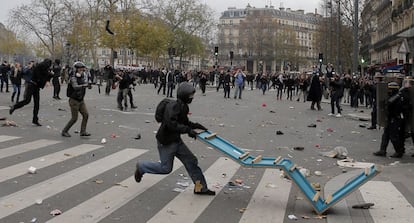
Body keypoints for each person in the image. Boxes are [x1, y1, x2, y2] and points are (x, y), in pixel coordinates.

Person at [134, 82, 215, 195]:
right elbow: (172, 124)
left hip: (176, 141)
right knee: (165, 168)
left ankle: (200, 187)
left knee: (191, 161)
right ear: (184, 95)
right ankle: (142, 166)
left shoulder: (183, 107)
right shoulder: (173, 107)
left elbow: (184, 123)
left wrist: (196, 126)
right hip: (166, 142)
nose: (192, 98)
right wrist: (188, 130)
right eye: (190, 96)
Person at [10, 59, 53, 126]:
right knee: (27, 100)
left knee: (37, 104)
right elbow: (41, 77)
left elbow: (46, 75)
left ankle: (35, 120)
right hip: (32, 85)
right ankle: (14, 107)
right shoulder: (39, 68)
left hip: (36, 87)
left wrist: (49, 76)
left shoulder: (44, 68)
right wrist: (48, 77)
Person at [373, 82, 405, 158]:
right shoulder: (394, 96)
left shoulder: (397, 97)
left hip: (394, 118)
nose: (388, 91)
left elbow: (391, 105)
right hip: (390, 117)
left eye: (390, 89)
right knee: (385, 135)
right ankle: (382, 150)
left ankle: (399, 151)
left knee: (393, 136)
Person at [61, 61, 92, 137]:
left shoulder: (82, 77)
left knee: (86, 115)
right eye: (80, 69)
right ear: (76, 69)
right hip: (74, 100)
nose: (82, 70)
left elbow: (85, 84)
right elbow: (75, 87)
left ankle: (83, 131)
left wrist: (89, 85)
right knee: (74, 118)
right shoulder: (73, 78)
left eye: (82, 69)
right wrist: (84, 85)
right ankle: (64, 131)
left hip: (81, 100)